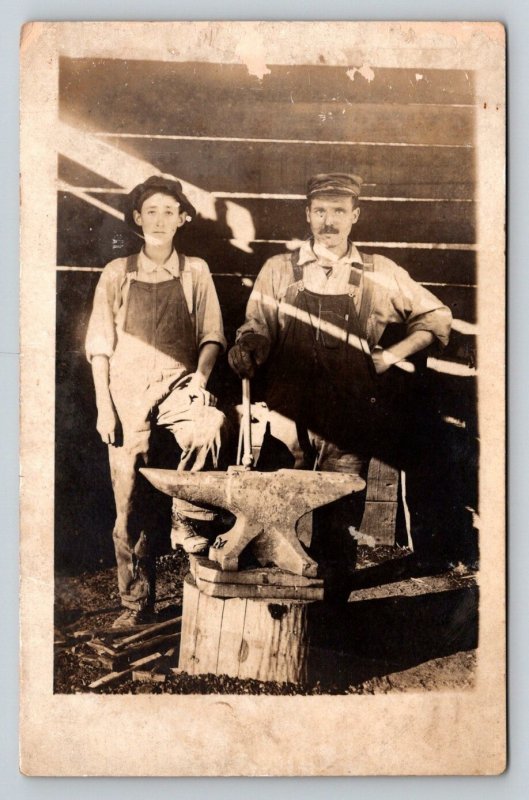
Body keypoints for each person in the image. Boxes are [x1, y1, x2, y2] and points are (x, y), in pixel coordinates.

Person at [228, 172, 454, 570]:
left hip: (351, 420)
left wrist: (391, 355)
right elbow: (256, 325)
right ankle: (279, 619)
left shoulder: (378, 270)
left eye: (338, 211)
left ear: (355, 216)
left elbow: (436, 316)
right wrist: (249, 346)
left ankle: (332, 619)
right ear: (307, 215)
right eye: (319, 212)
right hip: (288, 417)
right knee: (276, 520)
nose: (328, 221)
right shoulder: (279, 269)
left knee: (339, 524)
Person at [86, 175, 226, 628]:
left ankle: (193, 546)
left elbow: (212, 337)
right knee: (129, 505)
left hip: (179, 388)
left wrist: (200, 381)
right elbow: (100, 347)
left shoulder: (195, 271)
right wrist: (105, 408)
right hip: (126, 396)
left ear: (182, 218)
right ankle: (136, 605)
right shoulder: (117, 273)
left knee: (209, 429)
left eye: (170, 211)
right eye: (151, 211)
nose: (160, 220)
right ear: (137, 219)